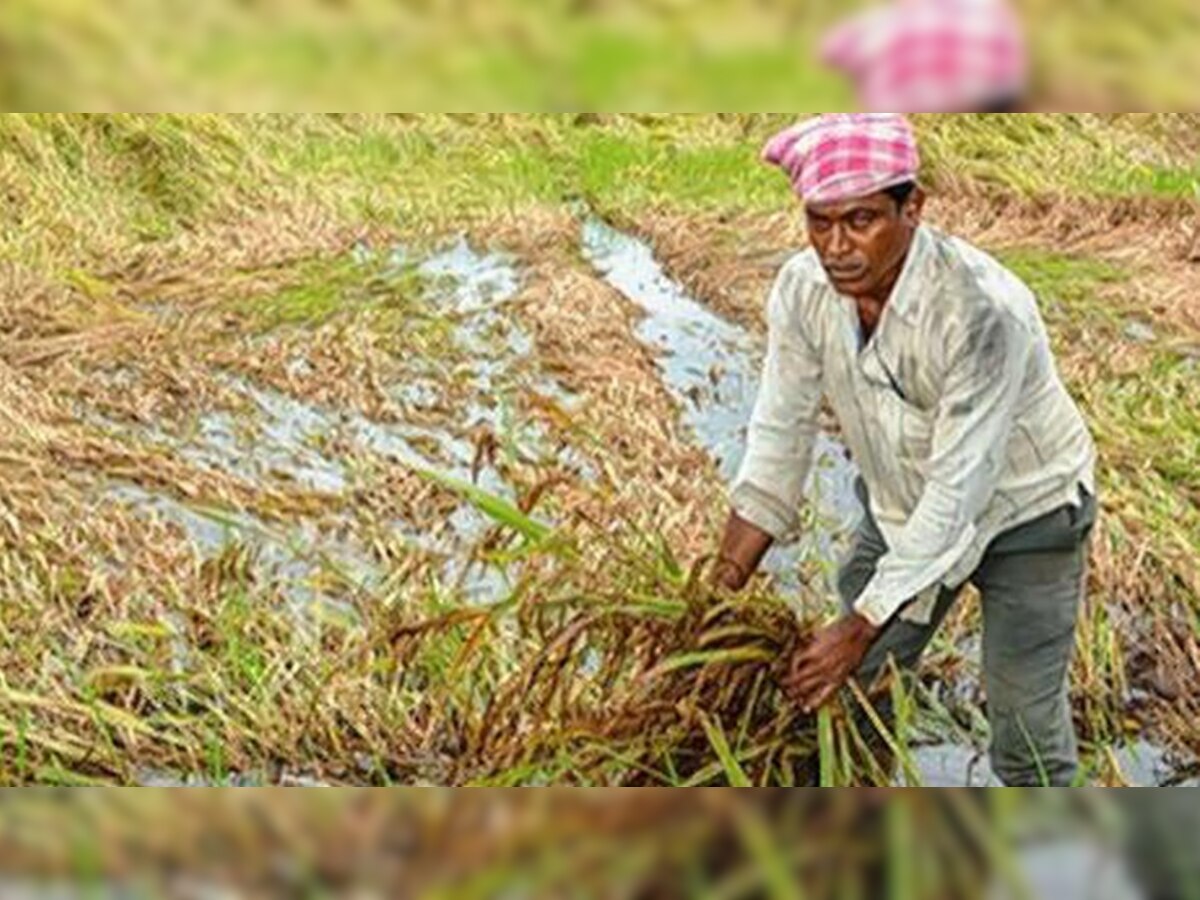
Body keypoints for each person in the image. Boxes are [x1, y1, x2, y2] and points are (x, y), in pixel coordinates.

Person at [711, 113, 1096, 786]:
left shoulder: (981, 314)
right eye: (818, 223)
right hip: (902, 505)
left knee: (1025, 734)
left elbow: (959, 496)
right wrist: (717, 590)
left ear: (912, 208)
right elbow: (779, 434)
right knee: (852, 693)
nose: (836, 247)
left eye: (860, 221)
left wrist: (861, 623)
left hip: (1026, 515)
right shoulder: (804, 291)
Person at [820, 0, 1028, 112]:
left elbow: (829, 51)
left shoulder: (886, 22)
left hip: (910, 107)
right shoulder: (989, 8)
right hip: (989, 99)